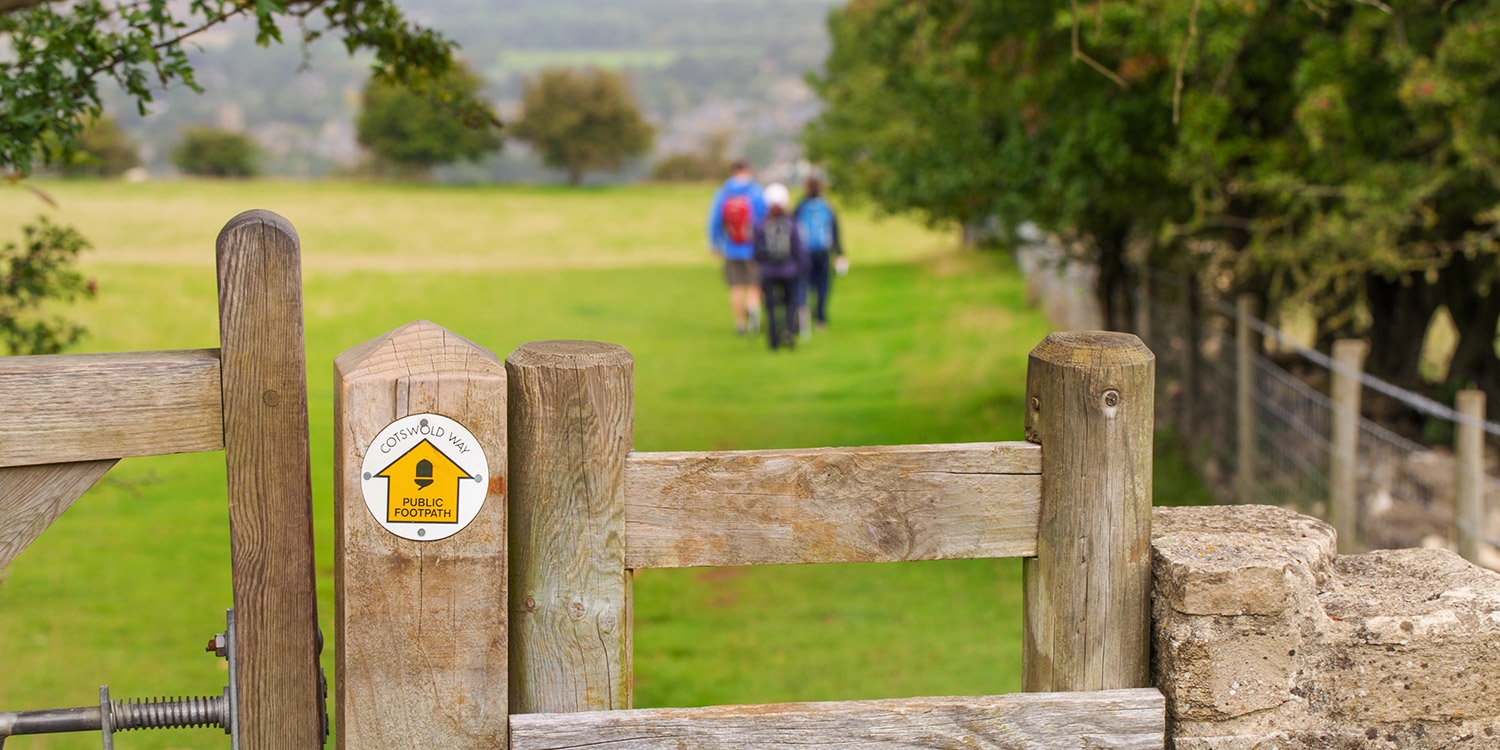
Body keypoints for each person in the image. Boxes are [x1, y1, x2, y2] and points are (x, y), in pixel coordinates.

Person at [706, 160, 766, 335]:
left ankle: (740, 324)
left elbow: (714, 220)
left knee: (736, 287)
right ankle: (753, 314)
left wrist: (715, 243)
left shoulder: (723, 192)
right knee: (755, 285)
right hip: (753, 247)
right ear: (748, 170)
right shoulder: (756, 192)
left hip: (731, 247)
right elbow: (764, 219)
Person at [753, 183, 809, 350]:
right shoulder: (791, 222)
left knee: (770, 306)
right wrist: (803, 265)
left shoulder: (761, 223)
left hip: (768, 272)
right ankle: (789, 332)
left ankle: (773, 341)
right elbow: (799, 247)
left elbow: (755, 250)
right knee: (790, 303)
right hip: (789, 270)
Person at [793, 176, 844, 332]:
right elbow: (834, 230)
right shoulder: (827, 205)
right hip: (823, 252)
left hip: (804, 252)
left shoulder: (801, 206)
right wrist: (839, 252)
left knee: (804, 285)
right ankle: (821, 319)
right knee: (823, 286)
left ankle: (804, 317)